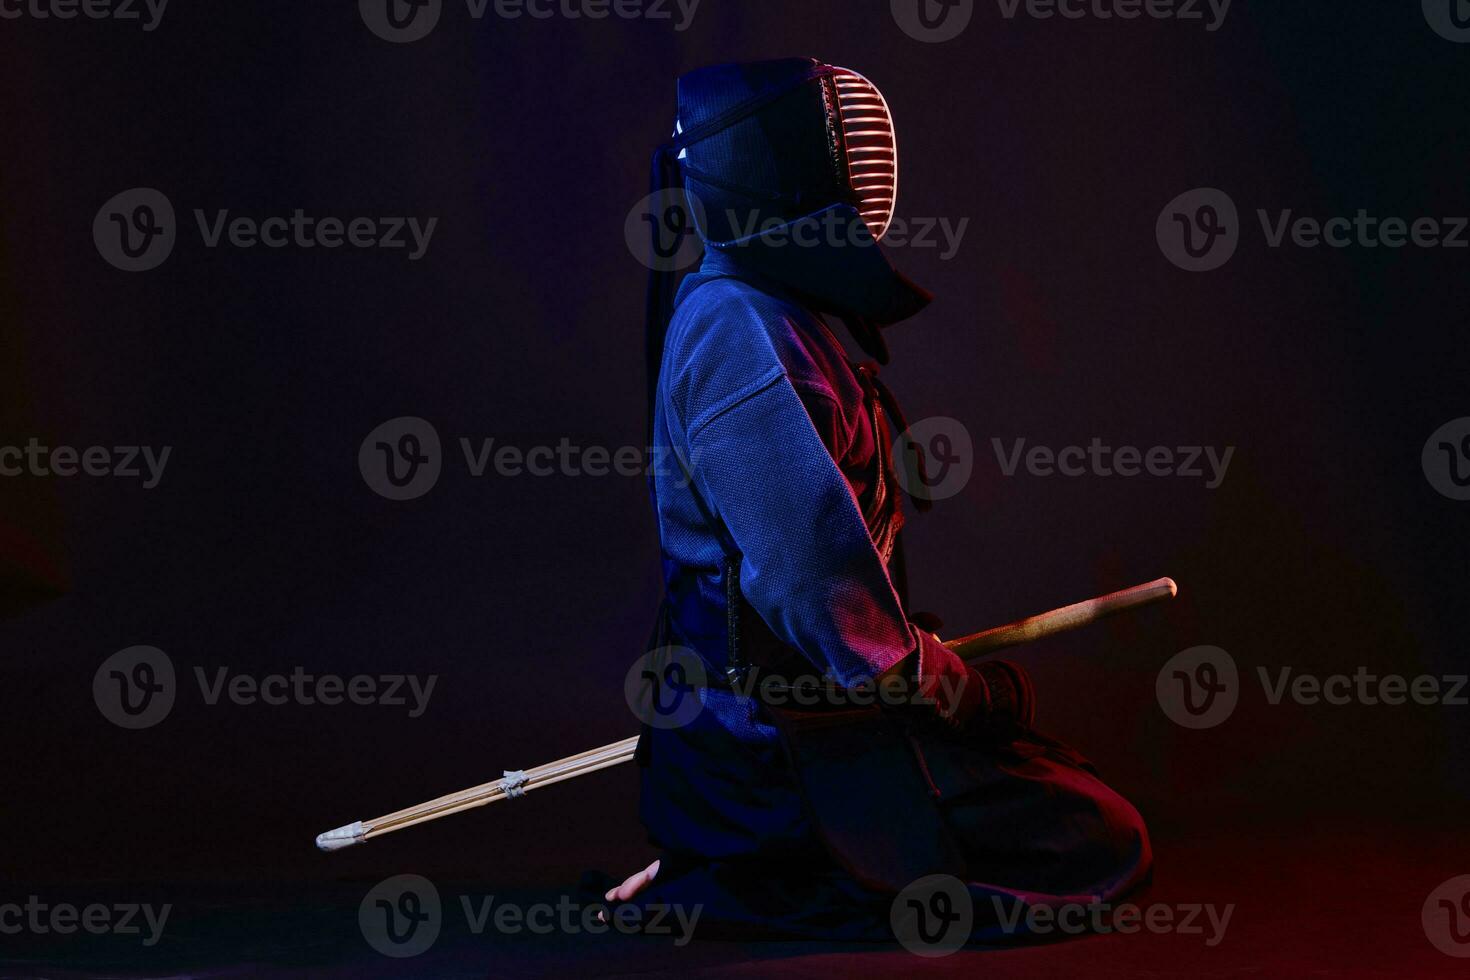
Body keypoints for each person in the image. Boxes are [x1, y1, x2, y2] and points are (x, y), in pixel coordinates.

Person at [615, 58, 1151, 942]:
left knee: (1053, 791)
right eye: (838, 153)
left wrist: (915, 670)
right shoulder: (735, 326)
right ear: (770, 164)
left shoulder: (764, 306)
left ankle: (735, 860)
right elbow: (813, 583)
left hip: (822, 706)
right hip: (775, 740)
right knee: (1095, 839)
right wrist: (942, 685)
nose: (863, 178)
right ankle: (745, 870)